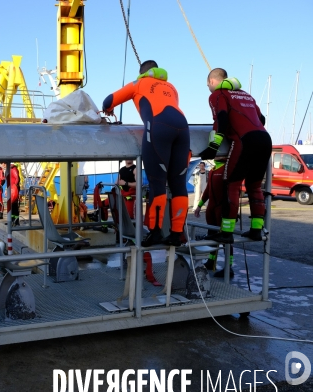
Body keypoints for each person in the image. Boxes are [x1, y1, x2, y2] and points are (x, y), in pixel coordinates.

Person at [103, 60, 190, 247]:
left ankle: (156, 232)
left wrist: (108, 109)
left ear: (141, 73)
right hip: (183, 129)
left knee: (157, 183)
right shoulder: (171, 87)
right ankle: (176, 234)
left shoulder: (139, 83)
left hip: (159, 128)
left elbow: (108, 101)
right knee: (178, 184)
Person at [200, 68, 272, 244]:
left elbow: (221, 120)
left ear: (211, 81)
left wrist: (213, 147)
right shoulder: (246, 95)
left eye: (207, 84)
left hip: (244, 141)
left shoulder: (217, 95)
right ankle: (256, 229)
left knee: (231, 185)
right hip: (264, 139)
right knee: (254, 186)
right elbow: (261, 120)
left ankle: (226, 232)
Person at [194, 158, 235, 277]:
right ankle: (211, 261)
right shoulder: (212, 170)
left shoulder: (227, 169)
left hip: (222, 209)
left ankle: (229, 267)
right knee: (212, 235)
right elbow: (207, 190)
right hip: (211, 209)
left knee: (225, 238)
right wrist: (199, 206)